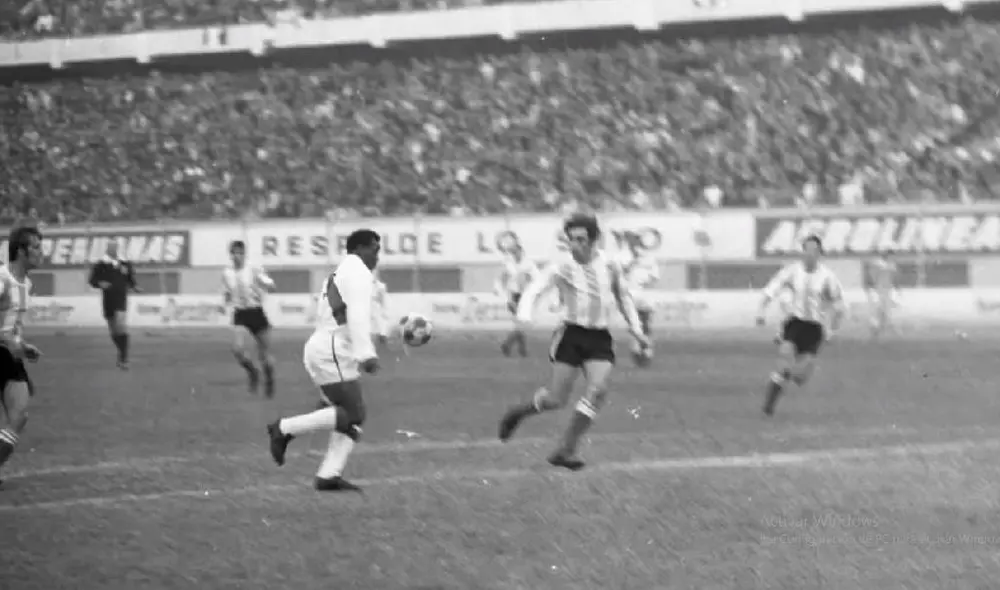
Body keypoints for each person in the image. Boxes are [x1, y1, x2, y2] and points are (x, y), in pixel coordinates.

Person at [497, 214, 650, 470]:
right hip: (570, 335)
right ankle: (519, 413)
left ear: (594, 241)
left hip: (599, 338)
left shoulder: (610, 265)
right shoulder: (562, 266)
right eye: (571, 239)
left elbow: (623, 297)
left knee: (598, 391)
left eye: (581, 239)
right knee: (555, 400)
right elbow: (536, 289)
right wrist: (524, 316)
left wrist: (636, 329)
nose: (575, 244)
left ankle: (565, 450)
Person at [266, 229, 381, 492]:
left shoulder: (342, 271)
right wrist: (366, 354)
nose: (377, 256)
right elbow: (358, 317)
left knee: (346, 419)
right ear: (360, 249)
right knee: (354, 413)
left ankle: (329, 475)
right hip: (333, 350)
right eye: (374, 249)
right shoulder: (360, 273)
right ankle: (283, 429)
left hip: (327, 347)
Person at [755, 235, 845, 417]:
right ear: (802, 252)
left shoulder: (828, 277)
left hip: (814, 329)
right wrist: (761, 311)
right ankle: (768, 406)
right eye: (807, 250)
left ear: (820, 253)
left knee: (800, 377)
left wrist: (832, 331)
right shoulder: (792, 271)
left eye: (814, 251)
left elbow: (839, 306)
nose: (810, 254)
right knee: (784, 358)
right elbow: (771, 289)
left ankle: (786, 377)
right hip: (794, 324)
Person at [0, 224, 44, 485]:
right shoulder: (2, 279)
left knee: (19, 415)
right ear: (21, 251)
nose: (42, 253)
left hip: (9, 355)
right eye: (36, 248)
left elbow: (11, 326)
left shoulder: (26, 284)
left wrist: (22, 345)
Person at [222, 240, 277, 397]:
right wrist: (225, 300)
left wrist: (269, 285)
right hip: (240, 313)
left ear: (244, 254)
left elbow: (266, 281)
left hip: (256, 313)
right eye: (234, 253)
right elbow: (227, 291)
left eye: (239, 253)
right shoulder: (227, 273)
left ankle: (269, 380)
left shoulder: (252, 268)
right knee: (237, 349)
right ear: (230, 254)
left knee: (264, 355)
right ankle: (253, 372)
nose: (237, 256)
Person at [88, 242, 141, 370]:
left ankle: (124, 358)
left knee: (121, 325)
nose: (114, 250)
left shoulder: (125, 264)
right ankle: (121, 352)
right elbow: (92, 281)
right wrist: (101, 283)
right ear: (107, 249)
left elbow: (130, 279)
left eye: (116, 247)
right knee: (114, 330)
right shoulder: (100, 265)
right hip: (108, 300)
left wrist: (135, 287)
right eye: (111, 248)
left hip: (121, 299)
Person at [617, 237, 659, 366]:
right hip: (633, 295)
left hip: (642, 296)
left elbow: (654, 277)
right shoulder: (627, 257)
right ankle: (639, 351)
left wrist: (645, 282)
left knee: (643, 325)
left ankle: (644, 351)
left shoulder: (648, 259)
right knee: (638, 325)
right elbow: (621, 272)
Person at [495, 244, 539, 357]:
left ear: (521, 252)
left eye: (517, 251)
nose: (516, 254)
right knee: (520, 323)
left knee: (521, 324)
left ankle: (517, 348)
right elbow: (503, 280)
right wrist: (508, 298)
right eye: (513, 252)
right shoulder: (509, 265)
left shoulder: (528, 264)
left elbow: (537, 278)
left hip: (525, 295)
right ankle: (511, 346)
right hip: (514, 295)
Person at [867, 251, 898, 340]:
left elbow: (893, 278)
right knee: (877, 309)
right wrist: (872, 287)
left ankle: (881, 329)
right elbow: (872, 276)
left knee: (886, 310)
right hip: (878, 290)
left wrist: (895, 288)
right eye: (890, 256)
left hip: (887, 290)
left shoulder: (891, 265)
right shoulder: (878, 264)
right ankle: (875, 329)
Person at [372, 270, 390, 349]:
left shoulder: (380, 286)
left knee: (380, 321)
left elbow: (382, 298)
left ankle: (382, 337)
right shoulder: (365, 285)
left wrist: (384, 309)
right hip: (368, 306)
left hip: (376, 306)